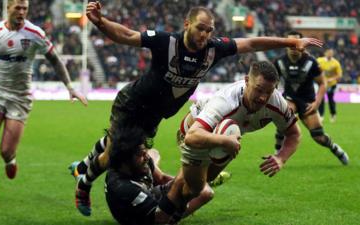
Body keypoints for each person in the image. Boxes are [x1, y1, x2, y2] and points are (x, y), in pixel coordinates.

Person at [71, 1, 322, 216]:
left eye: (209, 30)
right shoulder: (165, 42)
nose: (205, 35)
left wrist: (290, 41)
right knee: (117, 151)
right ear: (187, 24)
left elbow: (252, 43)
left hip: (156, 113)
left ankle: (83, 166)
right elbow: (126, 35)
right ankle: (84, 184)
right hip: (133, 103)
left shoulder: (214, 49)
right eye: (201, 28)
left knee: (131, 149)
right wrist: (101, 22)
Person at [0, 0, 88, 204]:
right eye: (18, 8)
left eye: (25, 9)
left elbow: (55, 60)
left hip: (20, 97)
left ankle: (10, 159)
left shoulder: (35, 33)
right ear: (8, 8)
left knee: (5, 151)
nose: (22, 12)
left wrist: (70, 88)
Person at [165, 61, 301, 214]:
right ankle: (164, 212)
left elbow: (294, 134)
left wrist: (281, 158)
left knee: (202, 181)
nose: (263, 98)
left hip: (227, 135)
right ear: (247, 80)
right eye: (259, 90)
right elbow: (192, 137)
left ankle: (167, 197)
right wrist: (225, 141)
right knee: (194, 188)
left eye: (268, 92)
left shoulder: (278, 103)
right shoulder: (226, 100)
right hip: (197, 130)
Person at [105, 125, 214, 225]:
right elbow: (159, 218)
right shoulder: (123, 187)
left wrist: (188, 182)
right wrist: (181, 180)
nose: (146, 157)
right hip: (146, 218)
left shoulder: (135, 163)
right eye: (141, 154)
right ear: (125, 159)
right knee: (205, 192)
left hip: (148, 195)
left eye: (145, 151)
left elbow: (161, 178)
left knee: (154, 153)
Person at [274, 31, 348, 166]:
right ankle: (277, 153)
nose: (293, 47)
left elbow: (323, 83)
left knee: (318, 137)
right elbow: (273, 82)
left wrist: (317, 102)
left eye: (296, 44)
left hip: (307, 100)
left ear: (302, 45)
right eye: (290, 44)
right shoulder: (279, 62)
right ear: (285, 45)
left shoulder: (311, 62)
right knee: (284, 114)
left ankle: (335, 149)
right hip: (290, 98)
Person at [317, 49, 343, 123]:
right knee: (321, 99)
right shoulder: (319, 61)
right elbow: (314, 70)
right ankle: (321, 116)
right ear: (325, 53)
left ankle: (333, 114)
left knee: (330, 99)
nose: (330, 54)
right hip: (321, 83)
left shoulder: (336, 63)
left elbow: (339, 75)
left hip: (331, 84)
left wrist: (332, 79)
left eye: (331, 53)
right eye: (328, 52)